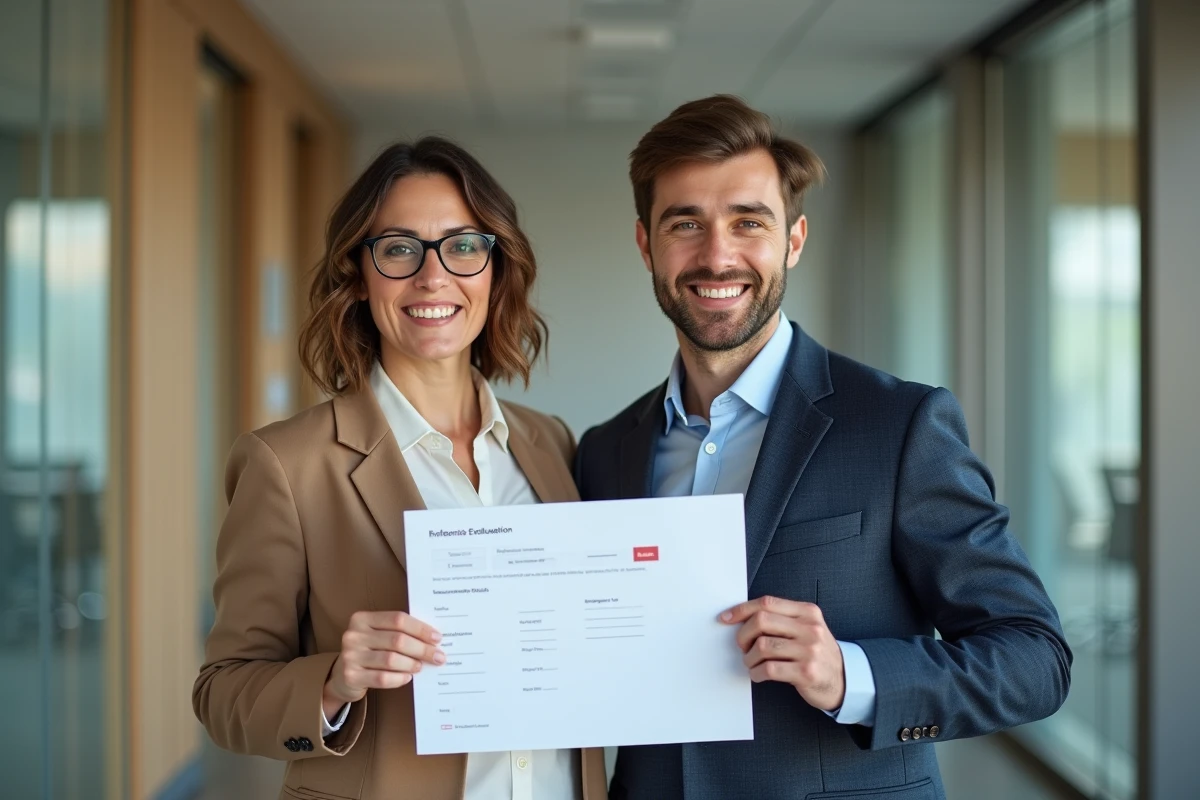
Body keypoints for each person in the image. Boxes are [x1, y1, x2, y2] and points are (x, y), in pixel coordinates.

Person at [573, 95, 1071, 800]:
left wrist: (850, 675)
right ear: (645, 243)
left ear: (795, 240)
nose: (718, 255)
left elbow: (1034, 660)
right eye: (686, 224)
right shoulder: (604, 452)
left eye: (749, 222)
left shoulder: (900, 425)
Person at [193, 137, 607, 800]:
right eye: (399, 248)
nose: (433, 276)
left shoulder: (549, 443)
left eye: (464, 245)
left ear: (496, 269)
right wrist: (332, 682)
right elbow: (222, 692)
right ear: (359, 273)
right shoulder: (287, 464)